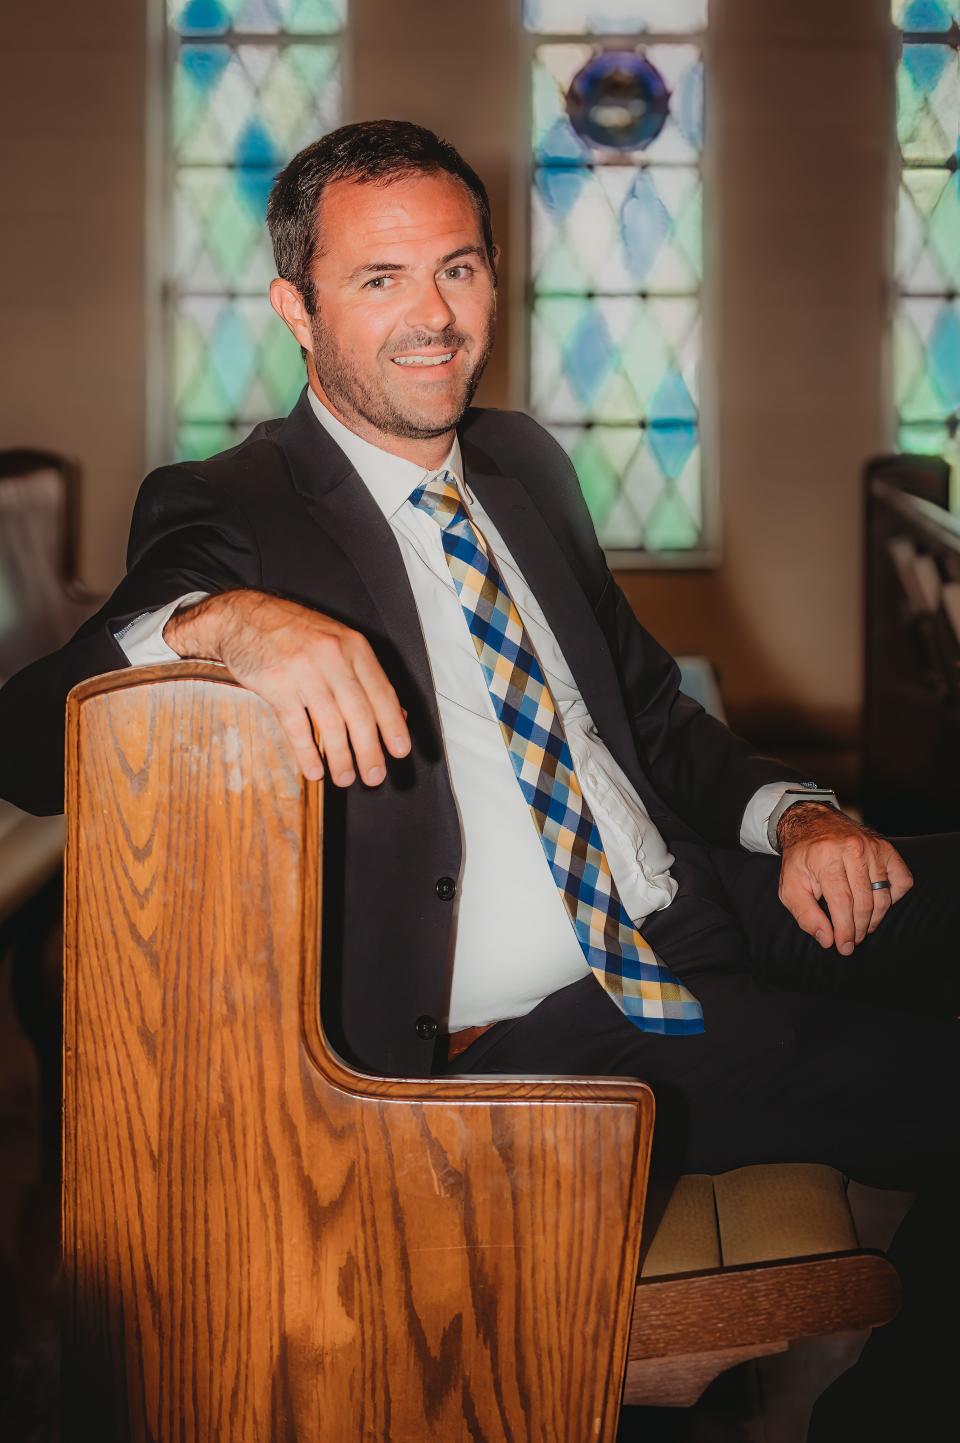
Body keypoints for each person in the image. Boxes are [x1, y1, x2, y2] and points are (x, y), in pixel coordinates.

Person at [0, 120, 955, 1438]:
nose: (432, 318)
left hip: (702, 903)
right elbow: (26, 743)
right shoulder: (236, 507)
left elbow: (652, 716)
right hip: (551, 1030)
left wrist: (796, 815)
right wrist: (219, 622)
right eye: (379, 279)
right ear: (296, 304)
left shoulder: (523, 463)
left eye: (457, 268)